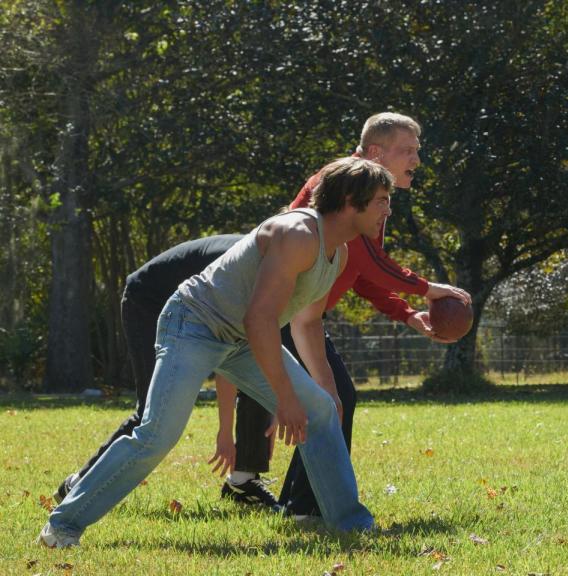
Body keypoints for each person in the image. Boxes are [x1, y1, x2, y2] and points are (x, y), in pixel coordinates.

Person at [38, 157, 387, 548]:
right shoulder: (298, 234)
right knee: (158, 433)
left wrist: (328, 393)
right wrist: (285, 398)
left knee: (321, 413)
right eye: (381, 200)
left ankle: (350, 525)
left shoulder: (336, 253)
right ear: (350, 201)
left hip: (238, 340)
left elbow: (306, 323)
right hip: (193, 325)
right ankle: (63, 525)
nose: (387, 210)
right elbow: (260, 318)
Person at [272, 112, 471, 517]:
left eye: (418, 150)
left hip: (301, 316)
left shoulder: (373, 192)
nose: (416, 160)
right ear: (377, 152)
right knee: (334, 398)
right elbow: (370, 260)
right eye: (408, 151)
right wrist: (427, 289)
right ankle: (305, 505)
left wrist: (408, 313)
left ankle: (299, 503)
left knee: (332, 399)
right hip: (275, 314)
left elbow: (360, 271)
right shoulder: (345, 184)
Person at [51, 235, 279, 510]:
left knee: (256, 366)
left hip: (185, 305)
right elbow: (227, 359)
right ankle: (77, 486)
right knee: (151, 412)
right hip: (147, 300)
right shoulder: (253, 265)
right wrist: (224, 433)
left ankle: (243, 480)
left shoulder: (276, 262)